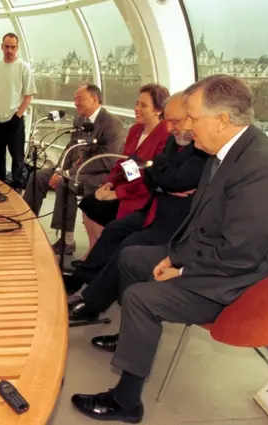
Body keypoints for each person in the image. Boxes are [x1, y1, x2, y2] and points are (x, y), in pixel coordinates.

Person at [70, 75, 268, 423]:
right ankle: (132, 339)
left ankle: (126, 401)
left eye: (193, 118)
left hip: (246, 284)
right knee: (132, 257)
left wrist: (182, 269)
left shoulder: (261, 170)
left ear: (222, 120)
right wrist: (174, 256)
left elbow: (241, 255)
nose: (187, 127)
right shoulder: (225, 153)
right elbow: (201, 223)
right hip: (222, 261)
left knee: (141, 298)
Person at [62, 92, 209, 328]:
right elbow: (146, 170)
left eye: (143, 104)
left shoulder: (197, 145)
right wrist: (118, 182)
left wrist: (154, 177)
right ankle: (82, 279)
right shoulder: (159, 136)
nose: (170, 127)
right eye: (136, 103)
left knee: (128, 245)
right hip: (155, 205)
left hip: (165, 215)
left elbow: (170, 178)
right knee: (113, 229)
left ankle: (93, 304)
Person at [22, 84, 125, 255]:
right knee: (39, 176)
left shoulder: (112, 124)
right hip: (73, 168)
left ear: (95, 99)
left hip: (100, 174)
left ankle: (67, 240)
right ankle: (27, 222)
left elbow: (106, 161)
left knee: (66, 182)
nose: (75, 103)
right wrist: (59, 169)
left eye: (79, 99)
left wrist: (67, 173)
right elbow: (70, 149)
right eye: (75, 99)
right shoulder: (80, 121)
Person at [78, 84, 171, 257]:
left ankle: (103, 254)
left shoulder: (165, 136)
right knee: (88, 203)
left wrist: (117, 194)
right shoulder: (136, 130)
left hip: (142, 194)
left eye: (143, 106)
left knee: (101, 210)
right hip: (125, 184)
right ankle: (95, 250)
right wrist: (110, 183)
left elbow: (149, 178)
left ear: (158, 110)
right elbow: (124, 161)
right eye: (137, 104)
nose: (137, 109)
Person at [0, 32, 37, 190]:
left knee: (17, 159)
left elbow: (29, 95)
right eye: (6, 46)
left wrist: (18, 115)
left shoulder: (23, 67)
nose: (9, 50)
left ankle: (17, 191)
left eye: (12, 47)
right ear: (2, 47)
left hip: (15, 120)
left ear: (17, 48)